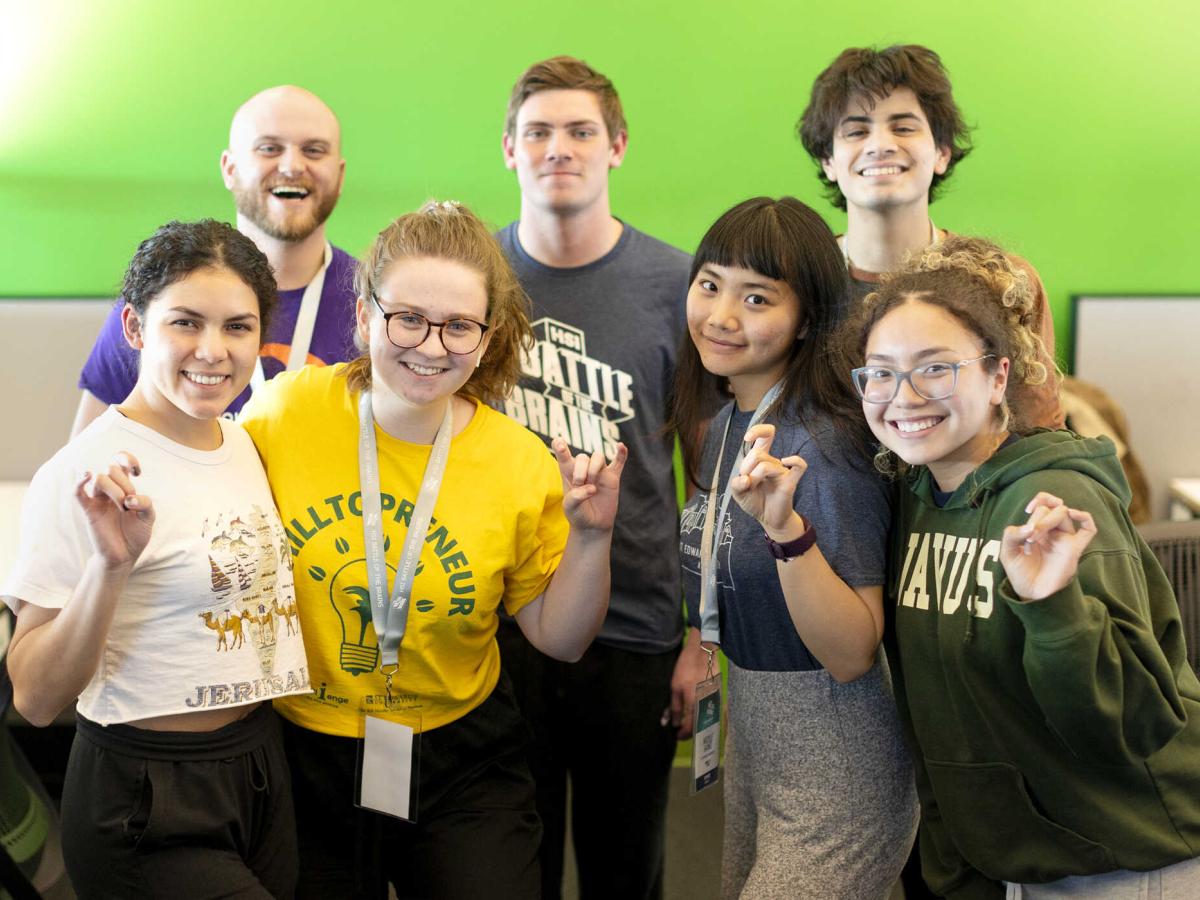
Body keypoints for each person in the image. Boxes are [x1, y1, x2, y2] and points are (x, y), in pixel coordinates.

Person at [238, 200, 626, 900]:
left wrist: (593, 537)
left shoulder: (519, 462)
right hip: (304, 746)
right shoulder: (284, 413)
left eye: (458, 327)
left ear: (487, 338)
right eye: (407, 318)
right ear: (364, 317)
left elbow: (560, 641)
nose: (431, 345)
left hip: (461, 756)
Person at [846, 235, 1200, 899]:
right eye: (882, 372)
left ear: (999, 373)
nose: (905, 396)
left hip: (1134, 860)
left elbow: (1133, 725)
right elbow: (945, 713)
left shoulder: (1055, 502)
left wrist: (1054, 608)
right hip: (1025, 865)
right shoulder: (921, 495)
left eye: (936, 367)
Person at [3, 219, 309, 899]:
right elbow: (34, 693)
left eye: (237, 326)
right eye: (185, 323)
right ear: (135, 329)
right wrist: (107, 570)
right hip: (144, 797)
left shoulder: (244, 444)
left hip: (258, 768)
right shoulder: (85, 471)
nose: (213, 350)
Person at [674, 196, 918, 899]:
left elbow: (851, 653)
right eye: (710, 284)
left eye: (756, 298)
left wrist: (788, 534)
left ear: (806, 317)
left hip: (835, 755)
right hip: (754, 735)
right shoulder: (728, 424)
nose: (721, 316)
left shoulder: (824, 441)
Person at [495, 55, 691, 899]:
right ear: (510, 149)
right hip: (500, 622)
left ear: (615, 146)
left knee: (626, 874)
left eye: (579, 131)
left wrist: (703, 633)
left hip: (637, 624)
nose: (558, 149)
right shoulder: (475, 282)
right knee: (509, 869)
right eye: (538, 132)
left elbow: (711, 470)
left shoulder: (679, 284)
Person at [797, 44, 1063, 429]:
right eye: (856, 130)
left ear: (941, 152)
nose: (881, 145)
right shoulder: (799, 281)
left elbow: (1037, 436)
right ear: (828, 161)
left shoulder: (1003, 283)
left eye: (903, 127)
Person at [73, 85, 357, 433]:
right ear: (230, 169)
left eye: (314, 151)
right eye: (269, 148)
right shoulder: (161, 294)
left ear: (340, 175)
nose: (293, 165)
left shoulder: (373, 307)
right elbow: (84, 459)